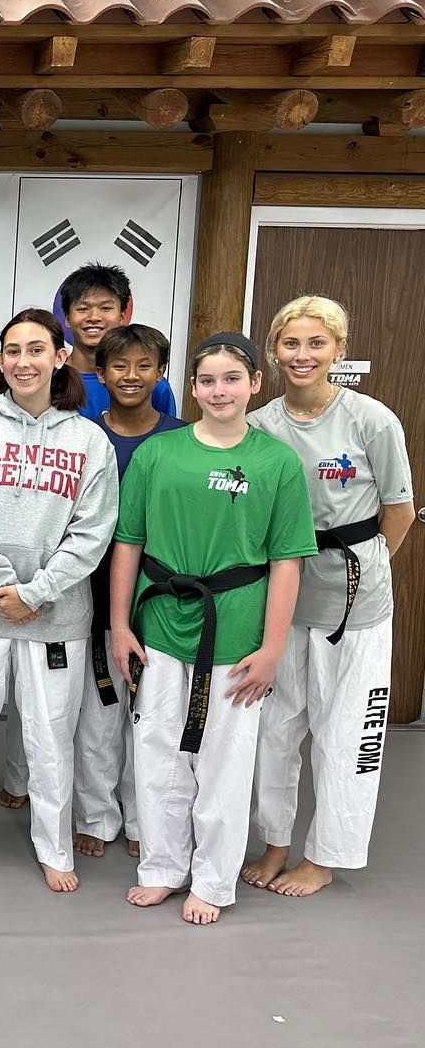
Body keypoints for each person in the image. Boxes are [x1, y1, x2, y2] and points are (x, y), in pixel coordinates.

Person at [111, 332, 316, 925]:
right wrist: (119, 626)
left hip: (235, 631)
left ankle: (215, 878)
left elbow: (287, 562)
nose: (219, 390)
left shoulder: (275, 461)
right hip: (160, 622)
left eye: (232, 378)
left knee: (225, 760)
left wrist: (273, 648)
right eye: (207, 380)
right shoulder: (159, 453)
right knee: (155, 752)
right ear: (191, 387)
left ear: (255, 384)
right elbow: (129, 542)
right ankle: (162, 866)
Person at [0, 309, 117, 892]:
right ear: (0, 358)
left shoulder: (89, 440)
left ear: (60, 357)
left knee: (50, 739)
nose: (23, 361)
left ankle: (54, 846)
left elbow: (94, 531)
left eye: (37, 350)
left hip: (55, 617)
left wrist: (35, 592)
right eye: (12, 350)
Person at [243, 297, 414, 897]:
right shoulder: (261, 425)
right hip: (284, 594)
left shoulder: (372, 420)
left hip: (355, 597)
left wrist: (367, 569)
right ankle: (276, 841)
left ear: (338, 350)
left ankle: (327, 855)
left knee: (349, 732)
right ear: (274, 350)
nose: (303, 355)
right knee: (274, 727)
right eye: (291, 343)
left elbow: (399, 509)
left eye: (316, 344)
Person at [73, 325, 186, 859]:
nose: (131, 376)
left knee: (157, 713)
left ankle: (146, 818)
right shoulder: (85, 437)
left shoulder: (183, 439)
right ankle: (96, 815)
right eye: (119, 366)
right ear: (100, 373)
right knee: (101, 709)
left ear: (160, 373)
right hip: (98, 591)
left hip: (163, 596)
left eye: (144, 365)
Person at [59, 262, 177, 421]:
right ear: (67, 317)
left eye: (106, 308)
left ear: (122, 316)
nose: (94, 317)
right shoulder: (50, 380)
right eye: (83, 309)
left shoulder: (153, 386)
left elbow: (165, 438)